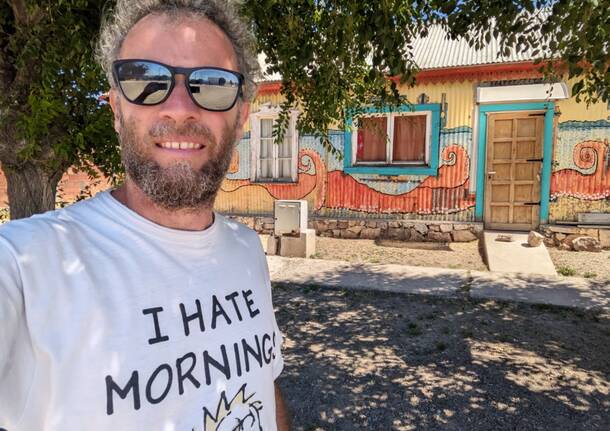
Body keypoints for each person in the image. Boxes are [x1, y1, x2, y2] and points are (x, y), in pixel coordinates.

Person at [0, 1, 290, 430]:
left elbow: (262, 380)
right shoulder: (29, 263)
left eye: (212, 85)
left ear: (242, 115)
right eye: (146, 81)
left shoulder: (247, 250)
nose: (179, 108)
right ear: (116, 109)